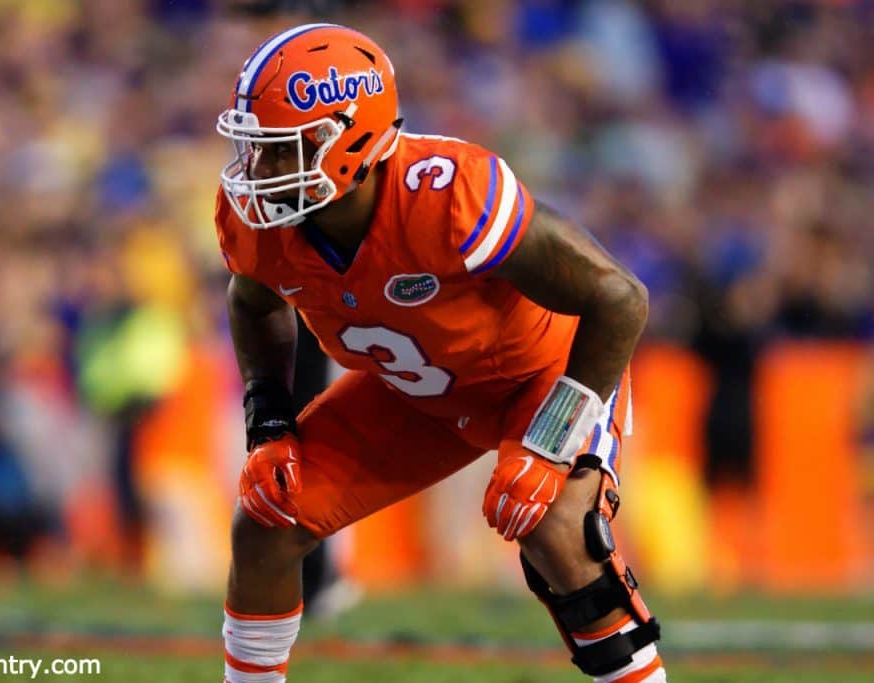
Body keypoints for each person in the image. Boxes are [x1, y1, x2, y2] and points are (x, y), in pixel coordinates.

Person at [213, 23, 664, 683]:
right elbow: (253, 304)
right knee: (267, 517)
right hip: (416, 394)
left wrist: (552, 438)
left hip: (540, 376)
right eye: (256, 149)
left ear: (349, 141)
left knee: (557, 528)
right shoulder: (262, 221)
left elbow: (618, 298)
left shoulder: (448, 191)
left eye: (283, 151)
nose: (261, 172)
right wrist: (270, 422)